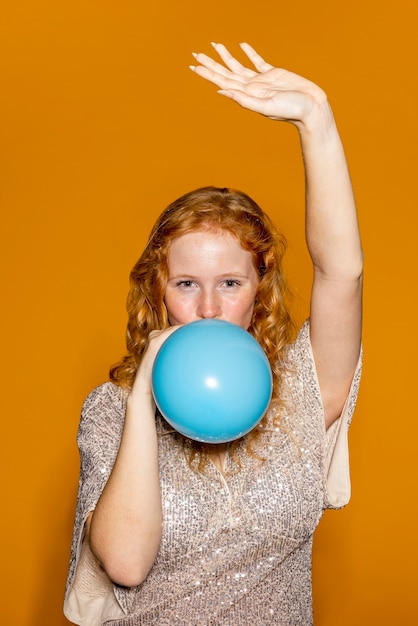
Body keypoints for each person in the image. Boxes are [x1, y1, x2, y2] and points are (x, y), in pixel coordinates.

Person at [64, 42, 363, 626]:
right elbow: (125, 563)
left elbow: (341, 272)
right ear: (157, 293)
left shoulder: (302, 392)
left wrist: (316, 120)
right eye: (184, 284)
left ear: (260, 291)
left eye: (229, 282)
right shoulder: (110, 411)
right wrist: (144, 393)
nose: (206, 307)